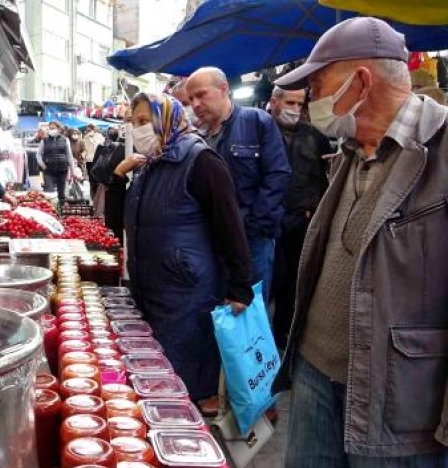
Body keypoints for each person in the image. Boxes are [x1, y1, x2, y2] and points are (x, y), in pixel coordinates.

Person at [274, 17, 448, 468]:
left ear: (362, 81)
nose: (312, 100)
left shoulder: (442, 150)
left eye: (318, 84)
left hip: (399, 403)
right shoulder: (351, 150)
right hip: (316, 374)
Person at [117, 93, 254, 402]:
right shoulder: (150, 165)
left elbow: (230, 227)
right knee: (157, 379)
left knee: (180, 385)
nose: (137, 130)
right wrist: (116, 176)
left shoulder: (202, 161)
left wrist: (240, 286)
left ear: (169, 119)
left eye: (143, 121)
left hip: (186, 294)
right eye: (133, 123)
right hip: (152, 289)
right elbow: (123, 223)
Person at [186, 67, 291, 303]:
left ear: (224, 89)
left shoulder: (257, 122)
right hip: (210, 240)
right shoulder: (195, 137)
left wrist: (252, 225)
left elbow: (278, 175)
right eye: (191, 98)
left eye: (201, 95)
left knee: (249, 316)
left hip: (251, 240)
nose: (195, 104)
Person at [268, 86, 332, 346]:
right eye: (290, 103)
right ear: (274, 103)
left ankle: (286, 336)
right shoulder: (262, 131)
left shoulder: (314, 135)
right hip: (270, 220)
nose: (295, 109)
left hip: (302, 220)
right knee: (268, 281)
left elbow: (324, 177)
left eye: (299, 104)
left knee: (294, 283)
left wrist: (314, 210)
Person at [37, 121, 74, 204]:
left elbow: (70, 156)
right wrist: (43, 165)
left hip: (62, 170)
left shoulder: (65, 140)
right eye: (50, 128)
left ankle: (61, 212)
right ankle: (51, 212)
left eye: (53, 128)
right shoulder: (44, 140)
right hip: (48, 171)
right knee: (49, 194)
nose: (51, 130)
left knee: (62, 194)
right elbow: (38, 154)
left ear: (58, 128)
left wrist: (72, 172)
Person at [82, 124, 105, 201]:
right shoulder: (85, 137)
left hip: (98, 160)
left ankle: (99, 197)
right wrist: (83, 156)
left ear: (93, 130)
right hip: (89, 160)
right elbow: (84, 148)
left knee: (98, 179)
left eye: (90, 130)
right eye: (87, 130)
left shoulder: (100, 137)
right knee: (91, 179)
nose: (88, 132)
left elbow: (100, 147)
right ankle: (93, 197)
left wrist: (92, 140)